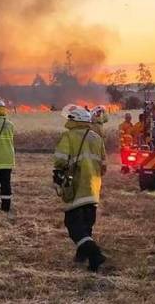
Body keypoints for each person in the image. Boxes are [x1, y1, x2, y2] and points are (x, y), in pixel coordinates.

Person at [53, 104, 108, 272]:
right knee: (86, 225)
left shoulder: (68, 136)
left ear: (73, 120)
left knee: (74, 225)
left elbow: (60, 160)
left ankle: (95, 254)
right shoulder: (97, 138)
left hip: (76, 186)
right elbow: (104, 166)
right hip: (93, 188)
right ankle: (84, 258)